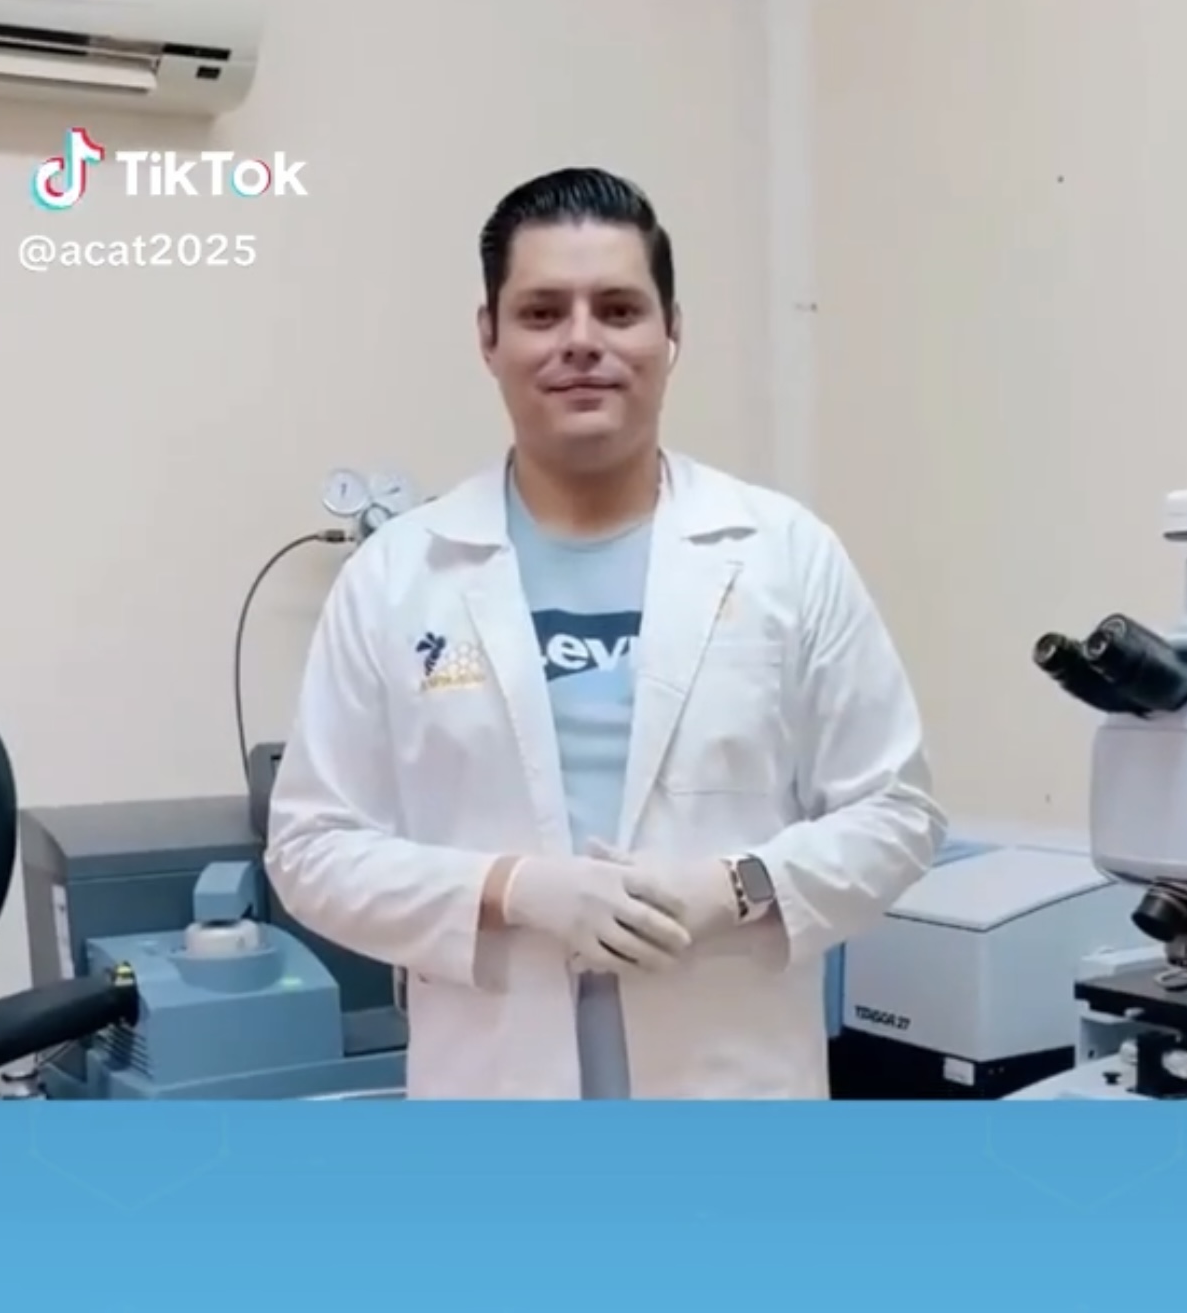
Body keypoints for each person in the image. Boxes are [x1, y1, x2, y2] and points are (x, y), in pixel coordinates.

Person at [266, 168, 946, 1100]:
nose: (582, 340)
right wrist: (510, 889)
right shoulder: (396, 576)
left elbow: (897, 814)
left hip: (731, 1089)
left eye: (619, 309)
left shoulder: (785, 554)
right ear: (489, 336)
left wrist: (736, 885)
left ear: (672, 332)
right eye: (542, 312)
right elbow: (310, 849)